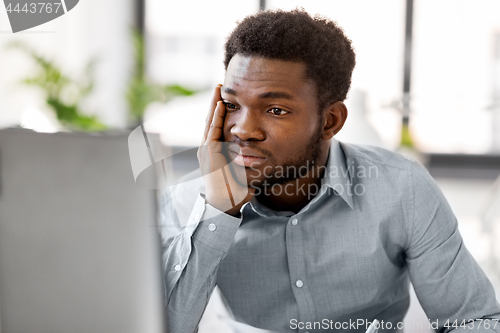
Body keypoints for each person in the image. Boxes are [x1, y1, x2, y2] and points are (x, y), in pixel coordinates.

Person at [160, 9, 500, 333]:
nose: (243, 130)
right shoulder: (187, 202)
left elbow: (475, 319)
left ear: (330, 120)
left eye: (275, 109)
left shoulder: (402, 188)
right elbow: (158, 326)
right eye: (232, 105)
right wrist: (218, 211)